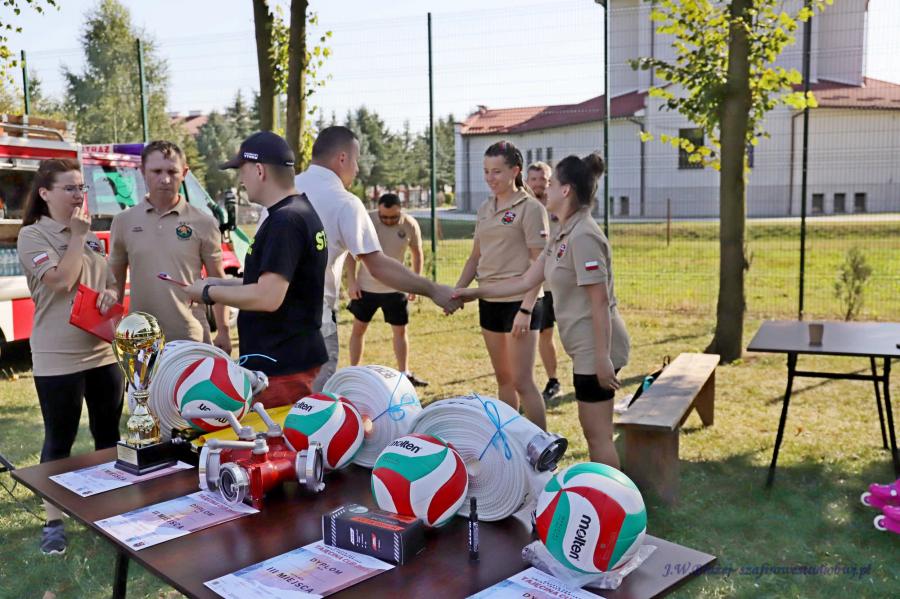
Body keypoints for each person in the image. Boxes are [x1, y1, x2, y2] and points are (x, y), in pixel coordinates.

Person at [454, 153, 630, 468]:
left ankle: (614, 497)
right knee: (593, 431)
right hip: (586, 346)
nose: (544, 189)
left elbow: (600, 301)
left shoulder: (584, 236)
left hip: (596, 346)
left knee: (597, 435)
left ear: (566, 190)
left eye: (552, 184)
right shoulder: (563, 232)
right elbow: (525, 281)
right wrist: (472, 292)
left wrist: (603, 358)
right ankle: (604, 492)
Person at [291, 126, 460, 391]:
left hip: (270, 316)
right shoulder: (344, 202)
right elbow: (378, 266)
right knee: (310, 404)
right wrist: (433, 289)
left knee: (275, 403)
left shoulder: (285, 189)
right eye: (356, 160)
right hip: (314, 318)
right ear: (343, 158)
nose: (357, 169)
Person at [16, 158, 125, 555]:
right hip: (57, 355)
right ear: (45, 193)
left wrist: (110, 294)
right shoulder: (32, 235)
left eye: (81, 187)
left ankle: (109, 512)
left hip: (101, 352)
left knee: (108, 436)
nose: (79, 194)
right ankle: (53, 522)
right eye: (69, 188)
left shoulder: (92, 237)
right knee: (59, 440)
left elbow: (109, 283)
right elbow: (60, 281)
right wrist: (77, 236)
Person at [183, 132, 327, 408]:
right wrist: (217, 283)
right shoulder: (296, 212)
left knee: (275, 436)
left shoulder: (285, 221)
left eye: (242, 170)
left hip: (281, 366)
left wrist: (210, 293)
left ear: (259, 170)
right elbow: (272, 284)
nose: (240, 179)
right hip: (287, 358)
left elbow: (268, 297)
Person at [455, 140, 549, 430]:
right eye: (486, 171)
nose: (490, 178)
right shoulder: (485, 208)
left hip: (521, 302)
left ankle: (543, 445)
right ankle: (511, 440)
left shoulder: (530, 208)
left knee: (523, 381)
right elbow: (475, 257)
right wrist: (457, 292)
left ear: (515, 171)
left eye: (496, 171)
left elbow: (540, 263)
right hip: (489, 301)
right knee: (504, 380)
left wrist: (526, 309)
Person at [108, 141, 231, 352]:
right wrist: (112, 327)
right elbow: (115, 283)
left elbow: (217, 281)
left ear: (184, 173)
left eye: (172, 171)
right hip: (141, 340)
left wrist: (224, 330)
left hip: (191, 338)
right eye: (157, 171)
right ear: (142, 171)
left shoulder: (204, 222)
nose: (165, 179)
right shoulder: (123, 221)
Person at [345, 193, 429, 387]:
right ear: (378, 210)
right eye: (384, 217)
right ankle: (353, 372)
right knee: (358, 329)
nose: (389, 221)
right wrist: (352, 282)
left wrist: (415, 282)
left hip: (396, 288)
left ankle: (405, 373)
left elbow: (417, 253)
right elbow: (350, 252)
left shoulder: (410, 224)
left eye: (393, 217)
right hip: (366, 288)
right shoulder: (366, 221)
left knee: (400, 331)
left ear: (401, 210)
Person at [527, 161, 562, 401]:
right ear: (526, 181)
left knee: (563, 333)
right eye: (534, 179)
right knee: (539, 333)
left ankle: (560, 379)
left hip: (560, 283)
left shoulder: (561, 207)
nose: (539, 184)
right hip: (533, 285)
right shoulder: (522, 208)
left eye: (544, 180)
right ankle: (542, 382)